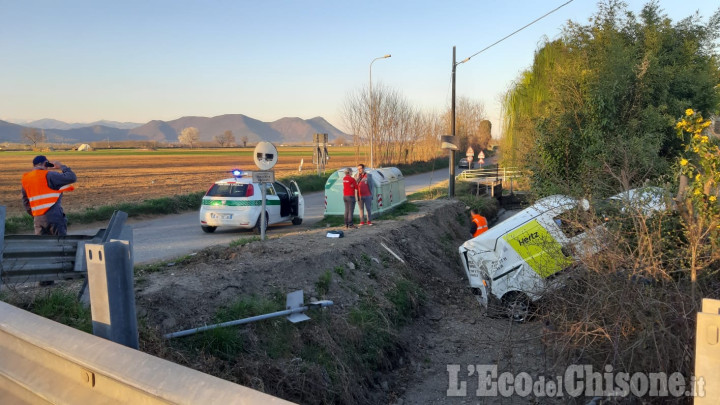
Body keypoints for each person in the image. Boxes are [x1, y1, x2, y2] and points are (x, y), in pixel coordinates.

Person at [22, 155, 77, 236]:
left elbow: (25, 201)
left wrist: (35, 215)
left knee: (43, 246)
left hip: (38, 219)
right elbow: (72, 177)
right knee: (60, 245)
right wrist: (61, 166)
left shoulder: (26, 178)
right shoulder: (49, 175)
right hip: (54, 217)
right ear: (45, 163)